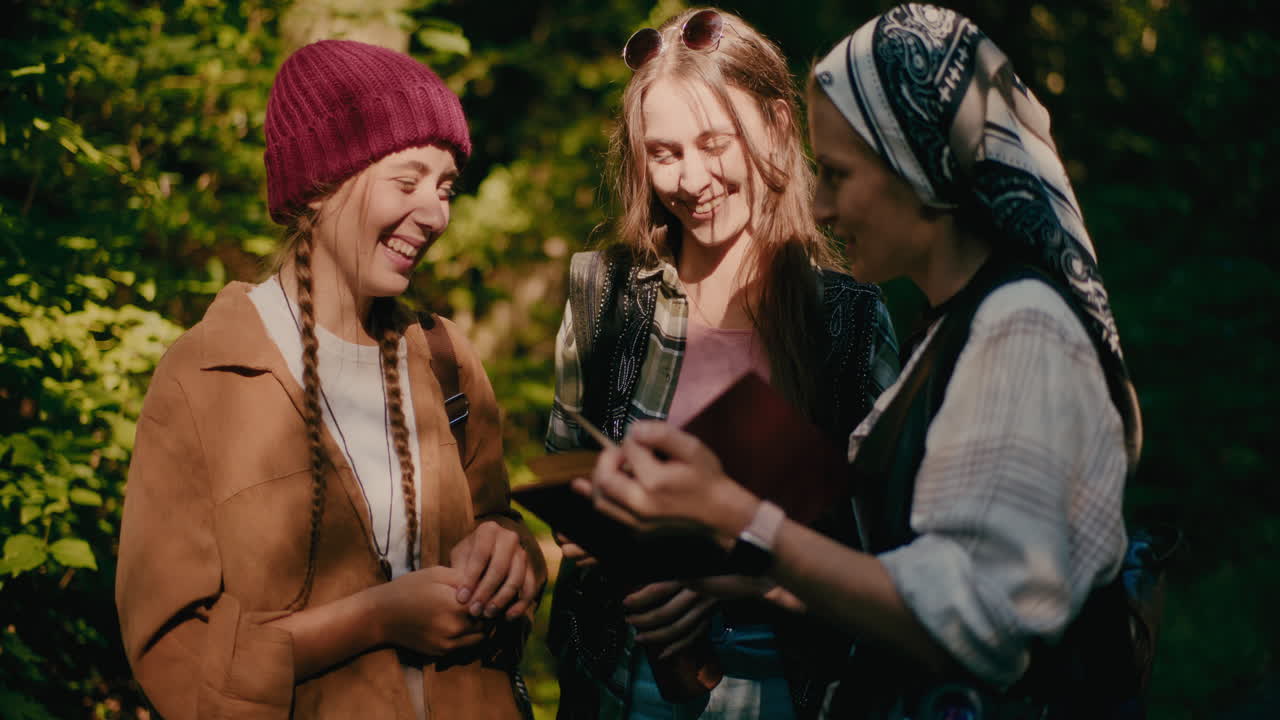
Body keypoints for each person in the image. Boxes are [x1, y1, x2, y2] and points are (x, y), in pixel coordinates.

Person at [581, 3, 1145, 718]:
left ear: (922, 168)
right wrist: (748, 581)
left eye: (840, 175)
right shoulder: (952, 331)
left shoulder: (1020, 330)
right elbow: (908, 578)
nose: (817, 206)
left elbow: (979, 627)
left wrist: (739, 517)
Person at [115, 39, 546, 720]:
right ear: (318, 190)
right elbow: (170, 651)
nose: (436, 214)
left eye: (445, 189)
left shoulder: (445, 358)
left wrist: (515, 555)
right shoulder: (203, 379)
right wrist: (375, 619)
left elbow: (496, 522)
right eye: (408, 182)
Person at [544, 7, 899, 720]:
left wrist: (736, 574)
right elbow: (564, 498)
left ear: (773, 126)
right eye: (665, 152)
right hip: (619, 691)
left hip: (791, 697)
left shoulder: (849, 324)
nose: (692, 178)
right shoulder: (605, 297)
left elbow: (894, 569)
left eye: (714, 142)